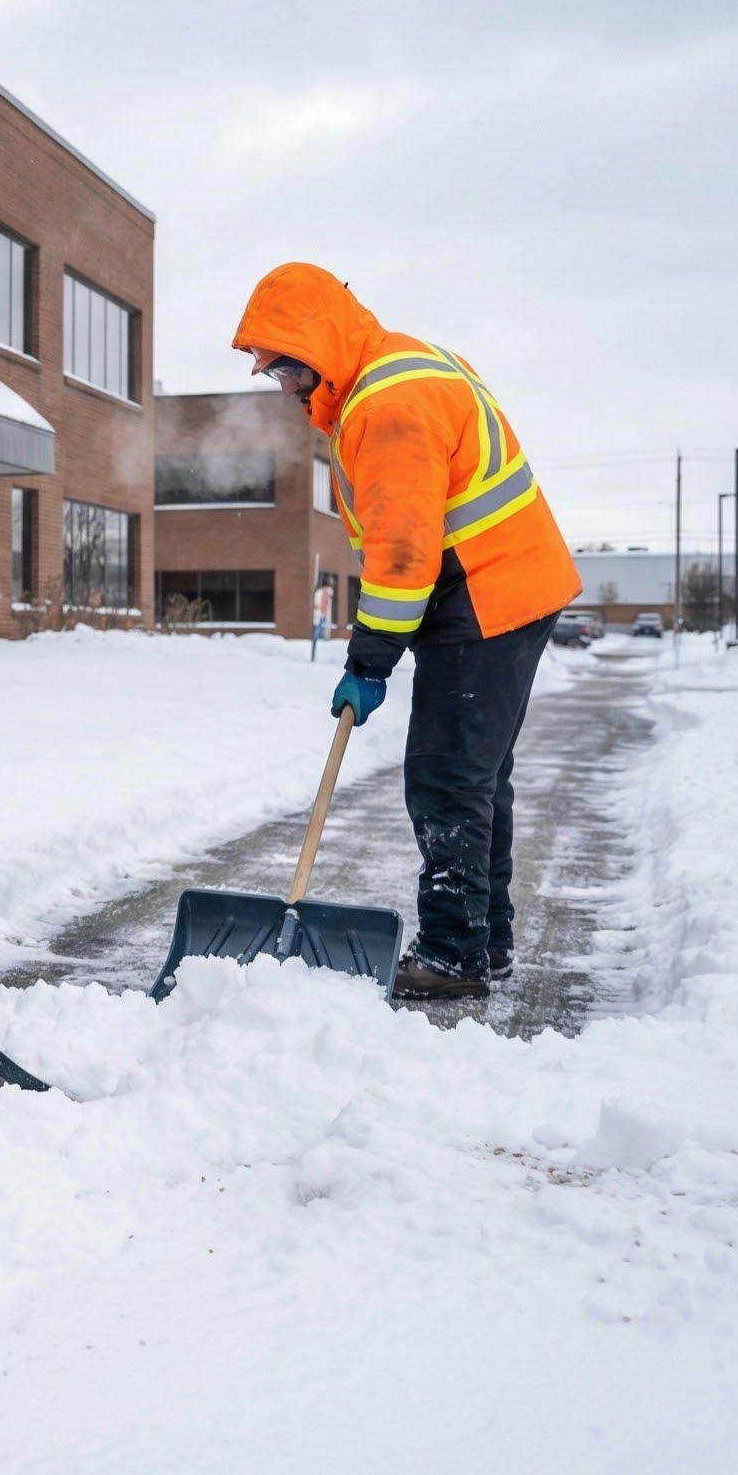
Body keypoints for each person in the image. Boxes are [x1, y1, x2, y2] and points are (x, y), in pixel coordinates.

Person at [232, 262, 579, 1000]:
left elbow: (400, 555)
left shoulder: (388, 406)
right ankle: (487, 942)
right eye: (272, 373)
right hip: (505, 585)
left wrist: (371, 660)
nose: (284, 387)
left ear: (319, 344)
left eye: (286, 368)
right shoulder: (403, 364)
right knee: (478, 775)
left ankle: (455, 955)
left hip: (483, 594)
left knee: (448, 775)